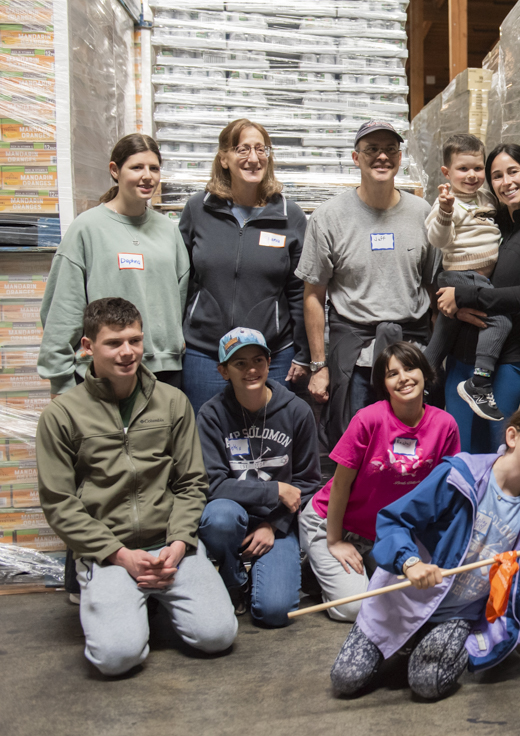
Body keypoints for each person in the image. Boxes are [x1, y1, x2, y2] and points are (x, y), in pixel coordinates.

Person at [328, 403, 520, 701]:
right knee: (346, 679)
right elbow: (394, 521)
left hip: (456, 614)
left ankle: (426, 639)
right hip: (403, 601)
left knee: (427, 684)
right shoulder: (460, 476)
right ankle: (408, 636)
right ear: (512, 436)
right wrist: (410, 562)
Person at [36, 298, 236, 676]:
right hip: (110, 550)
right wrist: (120, 555)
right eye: (114, 343)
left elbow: (192, 482)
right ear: (87, 346)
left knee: (218, 636)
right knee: (116, 658)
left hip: (169, 546)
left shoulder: (173, 402)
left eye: (135, 340)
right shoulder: (61, 415)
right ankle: (126, 600)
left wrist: (180, 543)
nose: (127, 352)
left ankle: (149, 597)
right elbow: (60, 503)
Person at [295, 119, 439, 448]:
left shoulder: (422, 212)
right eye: (372, 149)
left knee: (413, 446)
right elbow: (313, 295)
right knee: (356, 447)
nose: (382, 156)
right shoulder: (329, 217)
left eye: (390, 149)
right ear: (355, 158)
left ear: (400, 158)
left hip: (412, 353)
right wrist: (319, 366)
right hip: (356, 355)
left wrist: (437, 354)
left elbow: (433, 288)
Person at [300, 341, 460, 621]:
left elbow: (444, 493)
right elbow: (340, 485)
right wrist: (334, 541)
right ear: (384, 385)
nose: (403, 378)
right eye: (392, 374)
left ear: (425, 373)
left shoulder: (445, 425)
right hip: (334, 524)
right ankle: (316, 567)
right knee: (356, 608)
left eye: (410, 369)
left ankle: (346, 569)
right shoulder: (369, 419)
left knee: (419, 595)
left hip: (387, 533)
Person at [436, 144, 520, 452]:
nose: (506, 182)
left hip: (508, 359)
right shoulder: (493, 222)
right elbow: (448, 263)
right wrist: (453, 305)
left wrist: (465, 296)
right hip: (462, 354)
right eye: (497, 175)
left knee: (496, 450)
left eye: (513, 172)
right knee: (459, 450)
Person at [177, 118, 310, 414]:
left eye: (261, 149)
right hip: (206, 353)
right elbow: (181, 279)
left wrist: (304, 353)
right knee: (206, 434)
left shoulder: (290, 216)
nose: (254, 158)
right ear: (224, 158)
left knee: (271, 436)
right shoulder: (198, 209)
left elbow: (299, 291)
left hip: (272, 355)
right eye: (243, 149)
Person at [39, 134, 189, 394]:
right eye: (137, 167)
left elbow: (181, 300)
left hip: (164, 371)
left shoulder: (169, 230)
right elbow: (63, 309)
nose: (147, 176)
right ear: (114, 170)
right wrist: (60, 381)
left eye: (154, 168)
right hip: (103, 371)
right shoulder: (87, 228)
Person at [195, 327, 323, 627]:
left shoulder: (297, 410)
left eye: (258, 361)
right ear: (223, 371)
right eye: (239, 363)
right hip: (231, 514)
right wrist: (274, 490)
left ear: (269, 363)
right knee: (220, 518)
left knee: (274, 612)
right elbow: (213, 485)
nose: (251, 370)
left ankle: (267, 574)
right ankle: (233, 578)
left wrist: (273, 525)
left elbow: (307, 482)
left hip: (277, 520)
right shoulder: (211, 414)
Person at [421, 133, 509, 421]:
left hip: (475, 279)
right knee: (500, 319)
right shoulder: (447, 202)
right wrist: (446, 211)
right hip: (460, 276)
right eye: (463, 169)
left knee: (445, 330)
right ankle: (479, 383)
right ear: (447, 172)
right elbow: (438, 240)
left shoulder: (488, 198)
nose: (471, 175)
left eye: (477, 168)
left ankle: (423, 375)